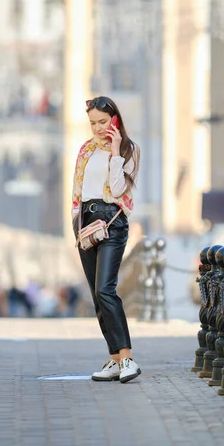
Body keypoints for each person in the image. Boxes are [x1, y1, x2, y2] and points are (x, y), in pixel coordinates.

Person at [72, 96, 141, 384]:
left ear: (114, 119)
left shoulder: (128, 149)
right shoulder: (86, 150)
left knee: (106, 290)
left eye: (103, 121)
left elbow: (116, 189)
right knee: (96, 296)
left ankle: (127, 358)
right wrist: (76, 225)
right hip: (87, 224)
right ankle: (114, 359)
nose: (98, 128)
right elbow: (77, 193)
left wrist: (114, 152)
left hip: (112, 221)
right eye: (93, 123)